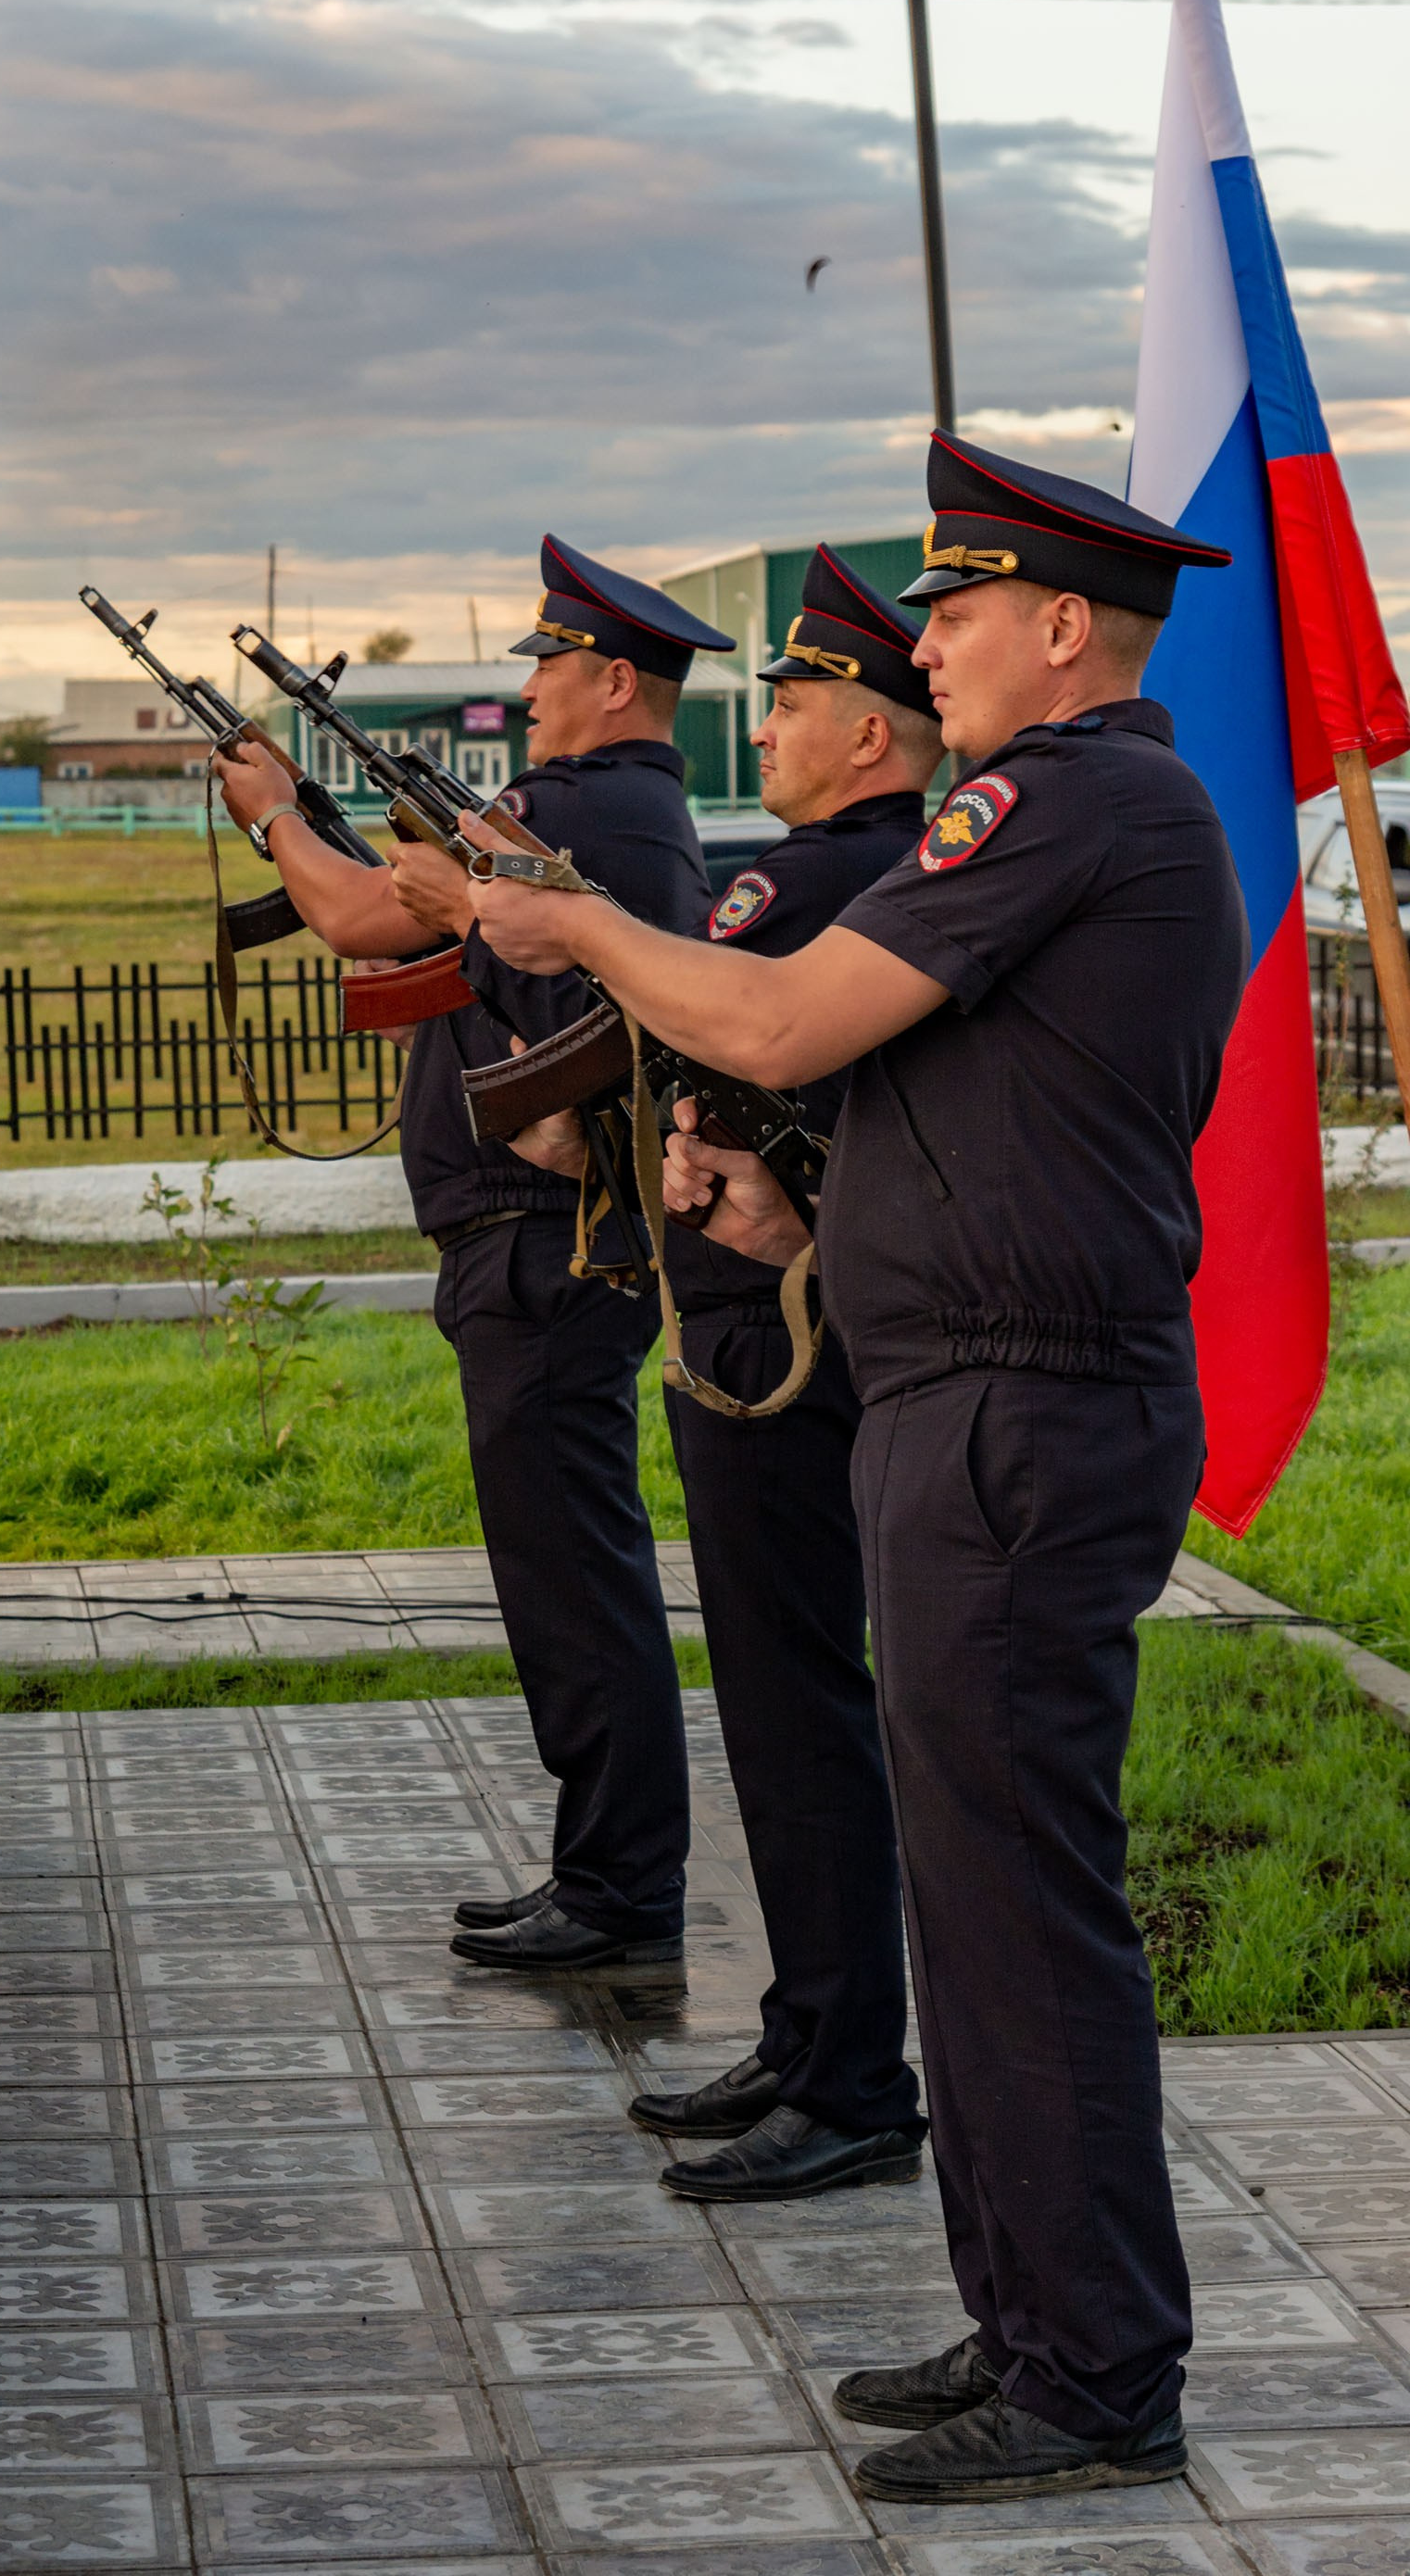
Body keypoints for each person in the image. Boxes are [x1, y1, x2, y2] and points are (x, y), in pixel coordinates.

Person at [462, 432, 1241, 2505]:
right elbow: (981, 1112)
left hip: (1017, 1413)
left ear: (1059, 628)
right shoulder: (1074, 811)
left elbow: (796, 1025)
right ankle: (1034, 2319)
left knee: (1014, 1904)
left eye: (964, 613)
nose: (937, 650)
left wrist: (570, 928)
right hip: (967, 1386)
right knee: (980, 1894)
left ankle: (1090, 2372)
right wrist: (812, 1236)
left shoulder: (1069, 798)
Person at [212, 535, 727, 1970]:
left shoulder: (581, 810)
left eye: (552, 666)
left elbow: (354, 917)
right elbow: (430, 941)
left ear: (614, 676)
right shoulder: (624, 815)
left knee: (573, 1575)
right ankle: (604, 1865)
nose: (536, 693)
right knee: (567, 1565)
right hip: (539, 1246)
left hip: (538, 1248)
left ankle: (623, 1887)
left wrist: (274, 818)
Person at [614, 547, 936, 2203]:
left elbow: (713, 1025)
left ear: (875, 735)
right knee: (785, 1695)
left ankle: (854, 2075)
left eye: (799, 698)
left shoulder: (809, 882)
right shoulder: (862, 867)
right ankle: (817, 2034)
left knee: (797, 1699)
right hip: (775, 1310)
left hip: (775, 1335)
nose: (773, 720)